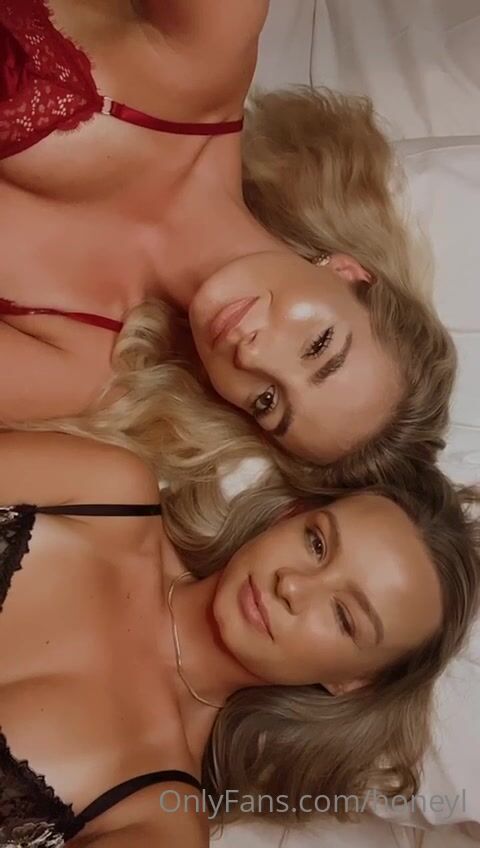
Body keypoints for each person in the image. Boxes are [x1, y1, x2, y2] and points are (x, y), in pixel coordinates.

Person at [0, 1, 455, 489]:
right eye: (318, 345)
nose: (254, 357)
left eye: (267, 401)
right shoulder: (213, 42)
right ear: (348, 271)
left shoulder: (84, 365)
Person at [1, 431, 478, 845]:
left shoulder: (158, 819)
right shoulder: (106, 491)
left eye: (343, 616)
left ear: (354, 682)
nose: (293, 586)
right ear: (289, 514)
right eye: (317, 543)